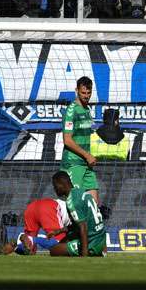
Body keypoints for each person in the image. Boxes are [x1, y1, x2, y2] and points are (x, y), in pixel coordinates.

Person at [47, 171, 106, 257]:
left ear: (60, 184)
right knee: (64, 241)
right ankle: (99, 251)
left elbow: (83, 227)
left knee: (53, 251)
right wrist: (58, 231)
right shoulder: (81, 191)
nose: (54, 189)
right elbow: (77, 225)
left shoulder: (72, 200)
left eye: (55, 186)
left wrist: (84, 254)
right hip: (101, 240)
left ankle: (90, 252)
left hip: (92, 242)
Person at [61, 76, 99, 204]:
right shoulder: (71, 111)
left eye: (89, 93)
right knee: (75, 203)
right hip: (74, 163)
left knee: (94, 205)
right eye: (83, 93)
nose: (86, 96)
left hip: (87, 164)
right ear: (76, 90)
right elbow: (67, 140)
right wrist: (87, 155)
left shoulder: (87, 109)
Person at [0, 198, 71, 255]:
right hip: (48, 207)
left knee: (31, 251)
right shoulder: (80, 215)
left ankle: (15, 247)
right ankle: (32, 239)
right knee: (60, 245)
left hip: (32, 207)